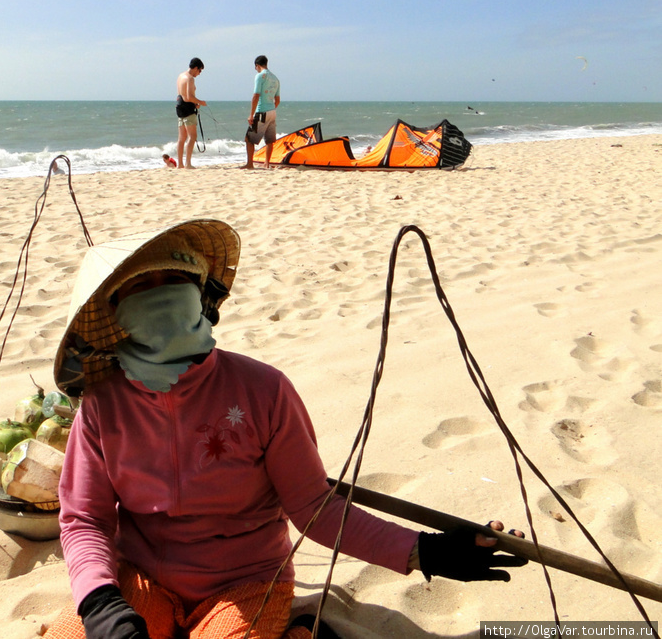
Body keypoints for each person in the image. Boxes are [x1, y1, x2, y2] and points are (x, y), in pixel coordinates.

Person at [45, 220, 526, 639]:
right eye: (140, 287)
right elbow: (84, 520)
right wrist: (99, 601)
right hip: (143, 575)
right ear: (117, 313)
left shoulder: (263, 391)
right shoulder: (102, 405)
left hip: (247, 581)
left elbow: (316, 509)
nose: (161, 294)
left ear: (199, 294)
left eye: (174, 278)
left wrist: (425, 551)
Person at [241, 55, 281, 170]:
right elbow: (277, 100)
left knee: (249, 139)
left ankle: (249, 164)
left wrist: (251, 114)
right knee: (269, 140)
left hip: (262, 111)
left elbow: (256, 96)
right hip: (272, 111)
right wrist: (271, 109)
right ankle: (267, 163)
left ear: (257, 65)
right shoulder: (275, 78)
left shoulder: (260, 76)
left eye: (255, 67)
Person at [175, 58, 207, 169]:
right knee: (192, 136)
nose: (199, 73)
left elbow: (183, 96)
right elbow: (188, 97)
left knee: (181, 138)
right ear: (196, 68)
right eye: (200, 71)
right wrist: (200, 102)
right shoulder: (190, 79)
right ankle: (188, 163)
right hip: (188, 109)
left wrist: (195, 104)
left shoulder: (180, 76)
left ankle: (180, 164)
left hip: (179, 108)